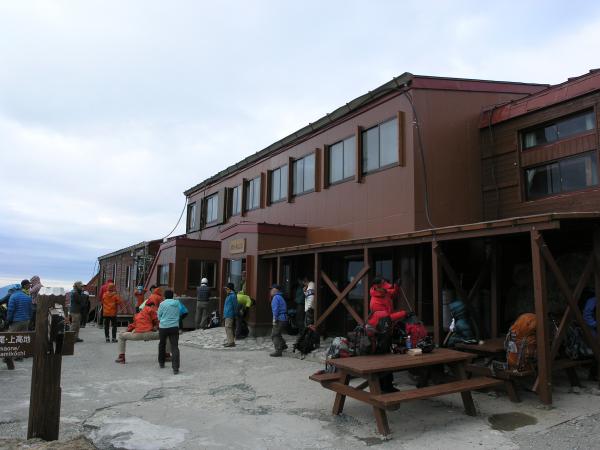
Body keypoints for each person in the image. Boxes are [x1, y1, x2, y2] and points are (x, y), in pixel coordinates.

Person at [115, 299, 159, 364]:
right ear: (152, 306)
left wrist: (126, 331)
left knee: (121, 336)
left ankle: (121, 357)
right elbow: (157, 322)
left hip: (138, 334)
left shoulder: (138, 314)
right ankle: (167, 355)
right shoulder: (151, 310)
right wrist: (157, 329)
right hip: (149, 333)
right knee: (167, 335)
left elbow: (132, 326)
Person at [4, 280, 33, 370]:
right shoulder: (27, 297)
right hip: (26, 320)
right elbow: (31, 310)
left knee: (10, 338)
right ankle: (19, 356)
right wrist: (29, 318)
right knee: (22, 338)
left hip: (16, 321)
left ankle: (7, 357)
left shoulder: (13, 297)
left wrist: (8, 320)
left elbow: (10, 310)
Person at [158, 290, 181, 374]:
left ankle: (161, 363)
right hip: (174, 327)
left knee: (162, 344)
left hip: (163, 327)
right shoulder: (177, 303)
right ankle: (175, 368)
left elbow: (159, 316)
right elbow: (180, 312)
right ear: (172, 296)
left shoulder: (162, 304)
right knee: (174, 347)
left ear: (164, 296)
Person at [270, 284, 288, 357]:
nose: (270, 291)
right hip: (284, 318)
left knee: (274, 335)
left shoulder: (275, 298)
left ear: (275, 290)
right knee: (278, 333)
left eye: (271, 289)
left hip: (279, 318)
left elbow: (275, 310)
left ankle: (278, 350)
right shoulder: (280, 297)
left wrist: (274, 319)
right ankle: (283, 345)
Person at [223, 283, 237, 347]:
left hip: (230, 314)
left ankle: (231, 342)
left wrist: (235, 314)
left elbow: (235, 305)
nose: (226, 290)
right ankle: (230, 341)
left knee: (228, 327)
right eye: (226, 289)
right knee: (227, 328)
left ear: (230, 289)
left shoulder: (232, 296)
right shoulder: (229, 295)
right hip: (227, 314)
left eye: (227, 289)